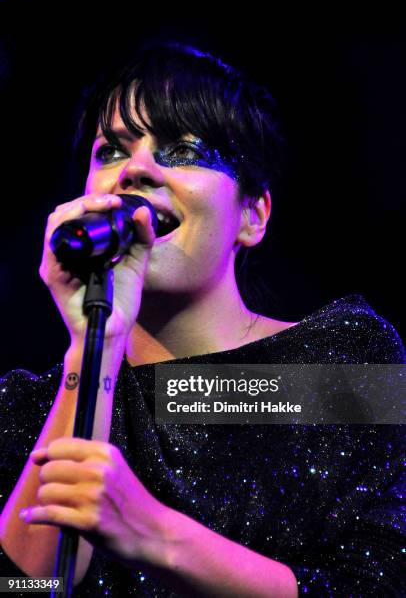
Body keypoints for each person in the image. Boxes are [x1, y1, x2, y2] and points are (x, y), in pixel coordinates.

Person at [0, 41, 404, 597]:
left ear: (252, 216)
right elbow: (21, 589)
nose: (136, 169)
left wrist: (156, 533)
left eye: (184, 151)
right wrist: (94, 348)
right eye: (111, 151)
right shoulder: (29, 408)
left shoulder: (337, 366)